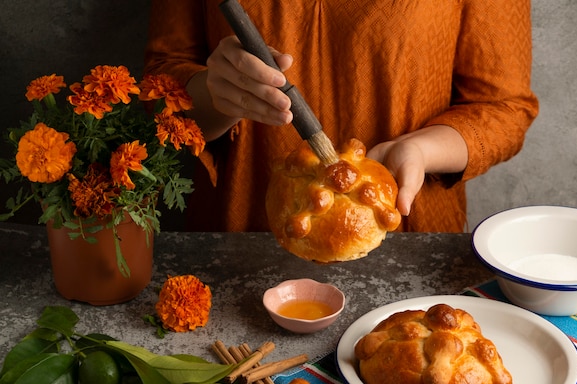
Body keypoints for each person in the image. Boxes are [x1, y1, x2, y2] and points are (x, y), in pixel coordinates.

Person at [144, 0, 538, 233]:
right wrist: (217, 94)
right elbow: (158, 81)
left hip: (403, 237)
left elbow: (504, 107)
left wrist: (419, 150)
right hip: (240, 236)